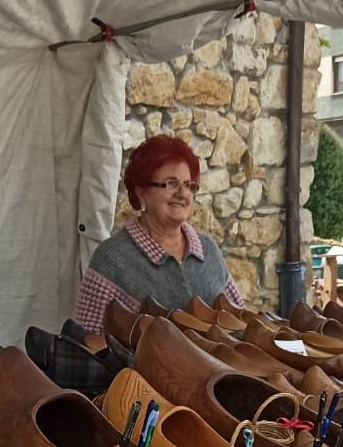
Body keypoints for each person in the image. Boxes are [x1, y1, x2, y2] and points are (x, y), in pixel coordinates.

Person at [73, 134, 244, 334]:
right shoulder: (112, 259)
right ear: (141, 192)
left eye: (189, 185)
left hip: (222, 365)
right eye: (171, 183)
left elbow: (239, 320)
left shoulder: (208, 250)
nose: (182, 193)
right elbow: (88, 341)